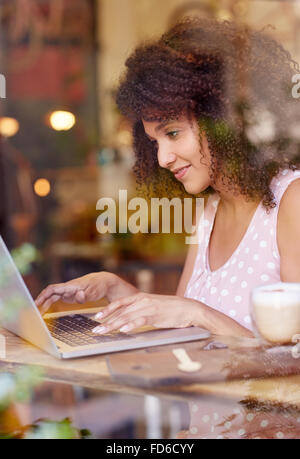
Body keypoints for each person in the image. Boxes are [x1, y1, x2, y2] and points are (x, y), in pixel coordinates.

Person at [35, 16, 300, 439]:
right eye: (155, 140)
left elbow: (294, 369)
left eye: (173, 133)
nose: (162, 158)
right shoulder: (211, 210)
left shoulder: (292, 201)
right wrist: (128, 298)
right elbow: (189, 334)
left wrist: (197, 312)